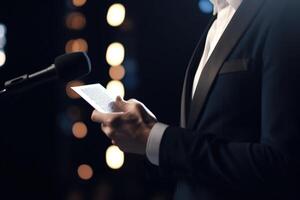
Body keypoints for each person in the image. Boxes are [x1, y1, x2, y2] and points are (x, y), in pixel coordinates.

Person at [91, 0, 300, 199]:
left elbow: (281, 164)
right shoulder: (219, 18)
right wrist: (147, 134)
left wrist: (158, 139)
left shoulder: (284, 12)